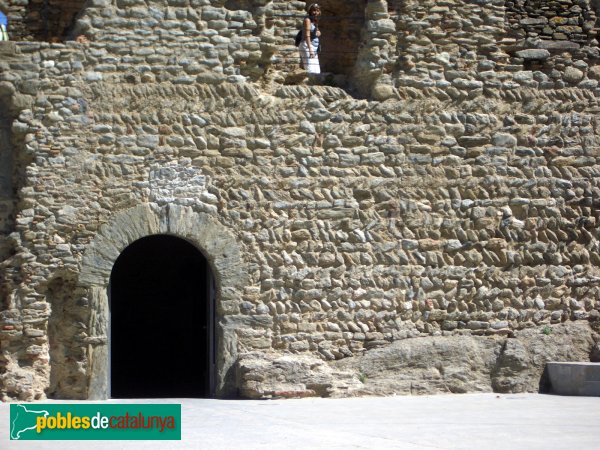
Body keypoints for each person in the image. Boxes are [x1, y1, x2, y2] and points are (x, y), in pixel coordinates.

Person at [298, 3, 321, 74]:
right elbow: (307, 35)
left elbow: (317, 32)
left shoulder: (314, 21)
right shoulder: (307, 20)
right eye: (314, 10)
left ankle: (314, 83)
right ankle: (310, 84)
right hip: (307, 46)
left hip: (313, 47)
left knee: (316, 70)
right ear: (310, 11)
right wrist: (310, 49)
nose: (315, 12)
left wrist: (318, 32)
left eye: (317, 10)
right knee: (311, 69)